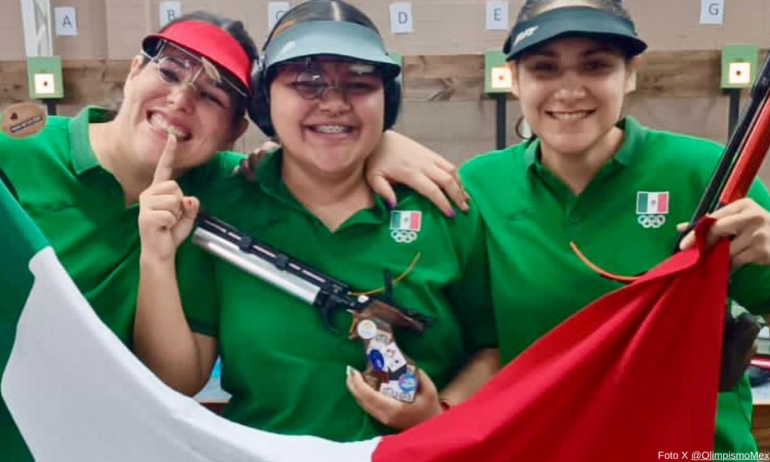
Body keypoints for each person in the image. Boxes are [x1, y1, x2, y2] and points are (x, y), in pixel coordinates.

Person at [0, 11, 466, 461]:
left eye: (211, 97)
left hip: (98, 440)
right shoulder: (15, 154)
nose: (181, 100)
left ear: (234, 131)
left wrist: (379, 141)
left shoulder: (214, 191)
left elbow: (310, 153)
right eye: (168, 71)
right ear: (134, 71)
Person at [134, 0, 499, 442]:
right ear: (267, 100)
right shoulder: (220, 209)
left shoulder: (443, 206)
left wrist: (439, 413)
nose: (334, 103)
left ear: (389, 99)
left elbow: (491, 347)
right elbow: (178, 378)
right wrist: (155, 258)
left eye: (360, 83)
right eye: (307, 83)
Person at [459, 0, 770, 457]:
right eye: (545, 68)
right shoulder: (477, 184)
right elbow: (477, 343)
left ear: (630, 74)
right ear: (514, 78)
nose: (569, 90)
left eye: (596, 65)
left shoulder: (708, 171)